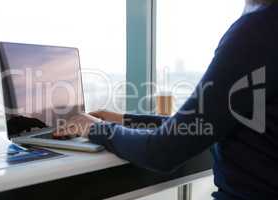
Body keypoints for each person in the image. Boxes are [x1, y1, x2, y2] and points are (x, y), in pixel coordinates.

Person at [54, 0, 278, 199]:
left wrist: (96, 128)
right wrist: (124, 120)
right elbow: (203, 125)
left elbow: (163, 152)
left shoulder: (258, 31)